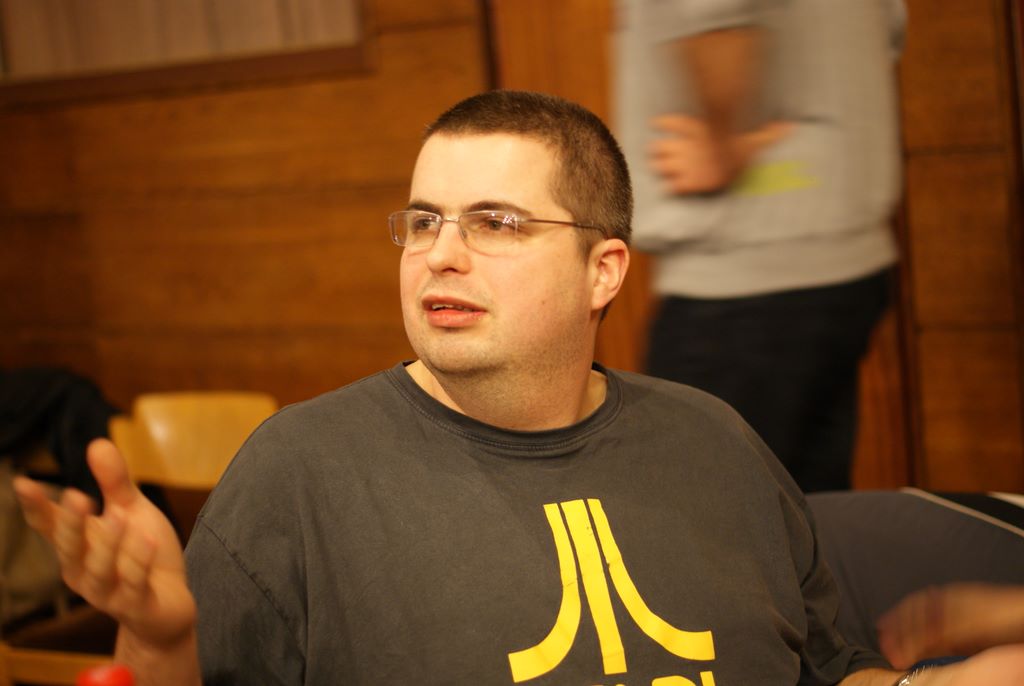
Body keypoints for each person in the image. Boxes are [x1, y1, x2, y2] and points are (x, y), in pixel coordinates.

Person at [12, 91, 1024, 684]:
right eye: (422, 221)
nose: (440, 254)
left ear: (604, 271)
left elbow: (833, 673)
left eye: (495, 223)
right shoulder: (296, 474)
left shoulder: (714, 440)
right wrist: (161, 641)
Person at [614, 0, 904, 491]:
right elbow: (890, 33)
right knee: (808, 515)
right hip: (846, 259)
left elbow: (719, 16)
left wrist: (727, 146)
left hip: (744, 271)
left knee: (703, 514)